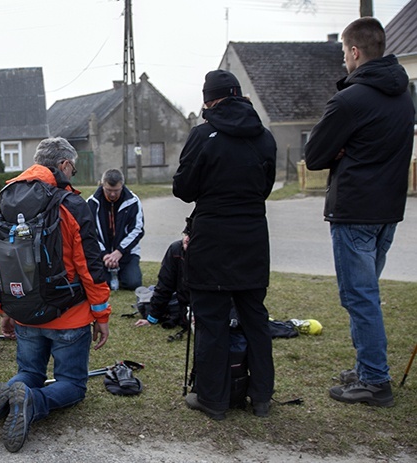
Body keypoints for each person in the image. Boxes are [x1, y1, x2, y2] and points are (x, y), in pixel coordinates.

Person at [0, 137, 111, 453]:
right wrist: (101, 314)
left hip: (23, 310)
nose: (71, 173)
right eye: (71, 167)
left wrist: (5, 308)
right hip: (68, 314)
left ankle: (5, 396)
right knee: (72, 384)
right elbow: (90, 265)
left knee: (29, 372)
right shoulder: (71, 204)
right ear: (63, 165)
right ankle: (33, 401)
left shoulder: (4, 200)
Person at [304, 17, 415, 408]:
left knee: (360, 297)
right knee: (365, 295)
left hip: (355, 210)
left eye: (343, 53)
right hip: (389, 209)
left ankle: (374, 380)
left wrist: (343, 149)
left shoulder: (351, 100)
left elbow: (314, 155)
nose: (342, 61)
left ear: (354, 51)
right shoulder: (405, 95)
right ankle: (366, 369)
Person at [172, 70, 277, 420]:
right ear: (238, 95)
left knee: (212, 319)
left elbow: (184, 189)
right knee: (255, 317)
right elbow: (265, 186)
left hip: (213, 235)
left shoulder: (203, 135)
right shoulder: (264, 137)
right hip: (251, 234)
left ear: (209, 100)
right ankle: (261, 397)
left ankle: (213, 399)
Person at [87, 168, 145, 290]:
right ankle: (110, 273)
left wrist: (119, 251)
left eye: (116, 190)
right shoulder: (91, 203)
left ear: (122, 186)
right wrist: (104, 255)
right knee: (102, 284)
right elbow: (90, 233)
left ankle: (122, 272)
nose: (112, 194)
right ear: (102, 185)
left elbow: (137, 230)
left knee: (133, 283)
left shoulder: (133, 201)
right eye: (108, 190)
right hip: (102, 255)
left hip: (126, 253)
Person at [135, 219, 190, 329]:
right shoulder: (176, 250)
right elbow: (164, 285)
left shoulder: (211, 255)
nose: (187, 239)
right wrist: (152, 318)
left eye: (192, 236)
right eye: (186, 234)